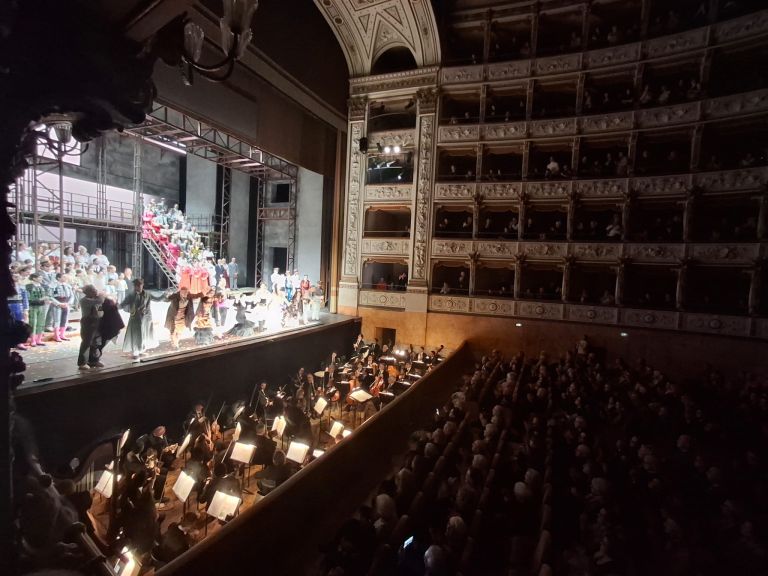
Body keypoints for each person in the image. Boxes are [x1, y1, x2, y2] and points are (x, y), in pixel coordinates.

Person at [121, 278, 158, 360]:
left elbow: (157, 299)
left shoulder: (147, 294)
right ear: (135, 286)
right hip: (135, 319)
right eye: (137, 286)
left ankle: (141, 350)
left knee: (144, 334)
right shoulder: (131, 295)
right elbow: (123, 304)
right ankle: (135, 352)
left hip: (146, 318)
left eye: (140, 285)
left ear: (142, 285)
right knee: (136, 335)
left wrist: (165, 295)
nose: (139, 287)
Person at [78, 285, 104, 370]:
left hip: (97, 322)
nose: (95, 291)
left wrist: (101, 314)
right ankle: (82, 363)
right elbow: (100, 300)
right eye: (93, 290)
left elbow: (100, 310)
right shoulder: (84, 300)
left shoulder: (96, 301)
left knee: (96, 342)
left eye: (95, 289)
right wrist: (101, 297)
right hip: (88, 323)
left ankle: (94, 360)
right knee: (86, 343)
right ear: (87, 292)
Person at [25, 273, 50, 347]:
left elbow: (47, 295)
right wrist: (41, 299)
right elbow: (28, 299)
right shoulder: (28, 287)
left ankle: (39, 340)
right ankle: (33, 340)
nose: (41, 279)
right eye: (39, 277)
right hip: (33, 306)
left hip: (42, 306)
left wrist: (47, 299)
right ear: (34, 278)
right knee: (33, 323)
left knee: (41, 323)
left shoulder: (43, 286)